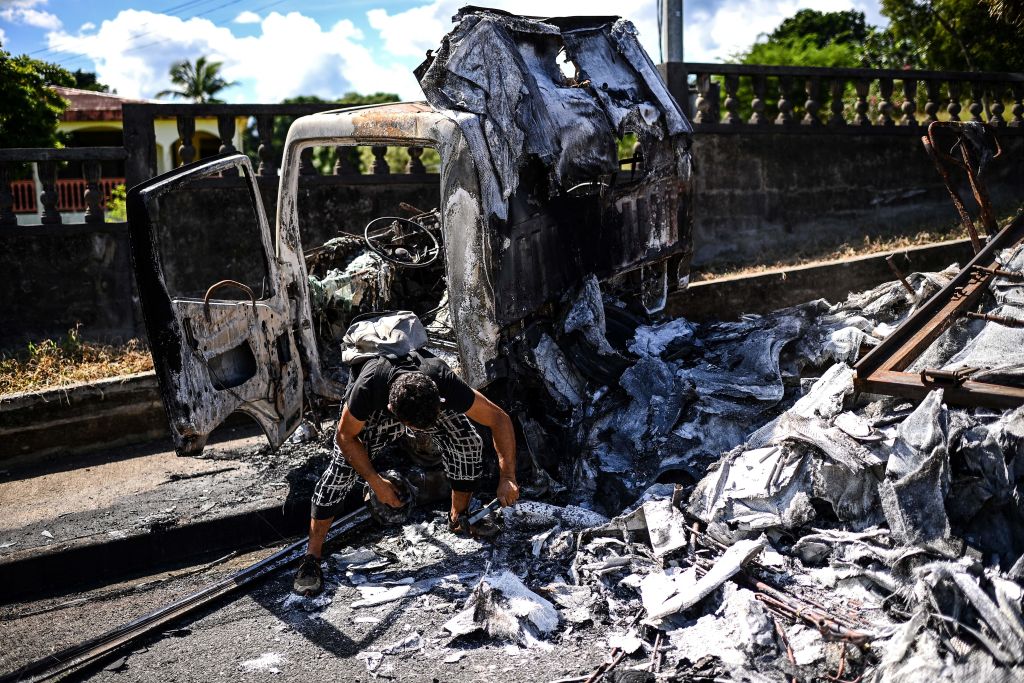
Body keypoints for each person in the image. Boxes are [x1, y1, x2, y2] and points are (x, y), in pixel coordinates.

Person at [293, 351, 519, 596]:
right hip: (377, 406)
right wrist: (375, 482)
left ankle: (459, 518)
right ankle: (311, 557)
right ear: (393, 411)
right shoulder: (368, 388)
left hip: (423, 400)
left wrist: (507, 477)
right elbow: (344, 436)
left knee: (466, 441)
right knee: (342, 470)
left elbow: (499, 418)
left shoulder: (441, 379)